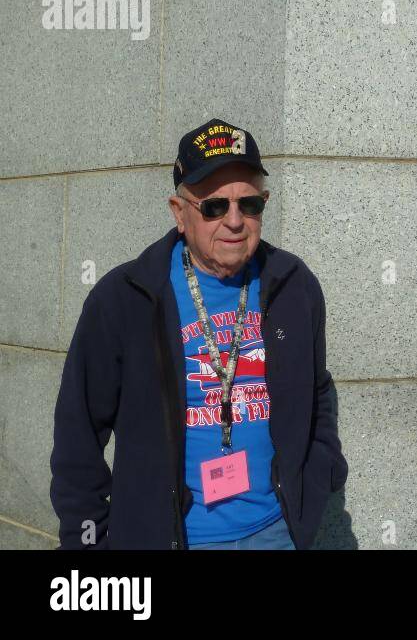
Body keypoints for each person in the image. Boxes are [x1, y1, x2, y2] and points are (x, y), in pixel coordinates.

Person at [50, 118, 348, 549]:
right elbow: (79, 434)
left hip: (277, 534)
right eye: (214, 206)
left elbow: (316, 390)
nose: (234, 221)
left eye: (249, 204)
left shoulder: (294, 286)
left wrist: (321, 473)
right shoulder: (123, 299)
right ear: (180, 213)